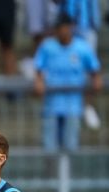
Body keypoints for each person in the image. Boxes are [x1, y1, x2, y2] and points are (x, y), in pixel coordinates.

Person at [33, 13, 102, 152]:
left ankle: (68, 174)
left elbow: (94, 69)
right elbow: (39, 68)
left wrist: (96, 79)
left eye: (64, 27)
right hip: (51, 104)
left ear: (70, 27)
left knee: (71, 146)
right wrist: (39, 81)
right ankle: (51, 174)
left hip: (73, 105)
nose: (61, 31)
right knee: (49, 147)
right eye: (58, 28)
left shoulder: (82, 47)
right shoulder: (47, 47)